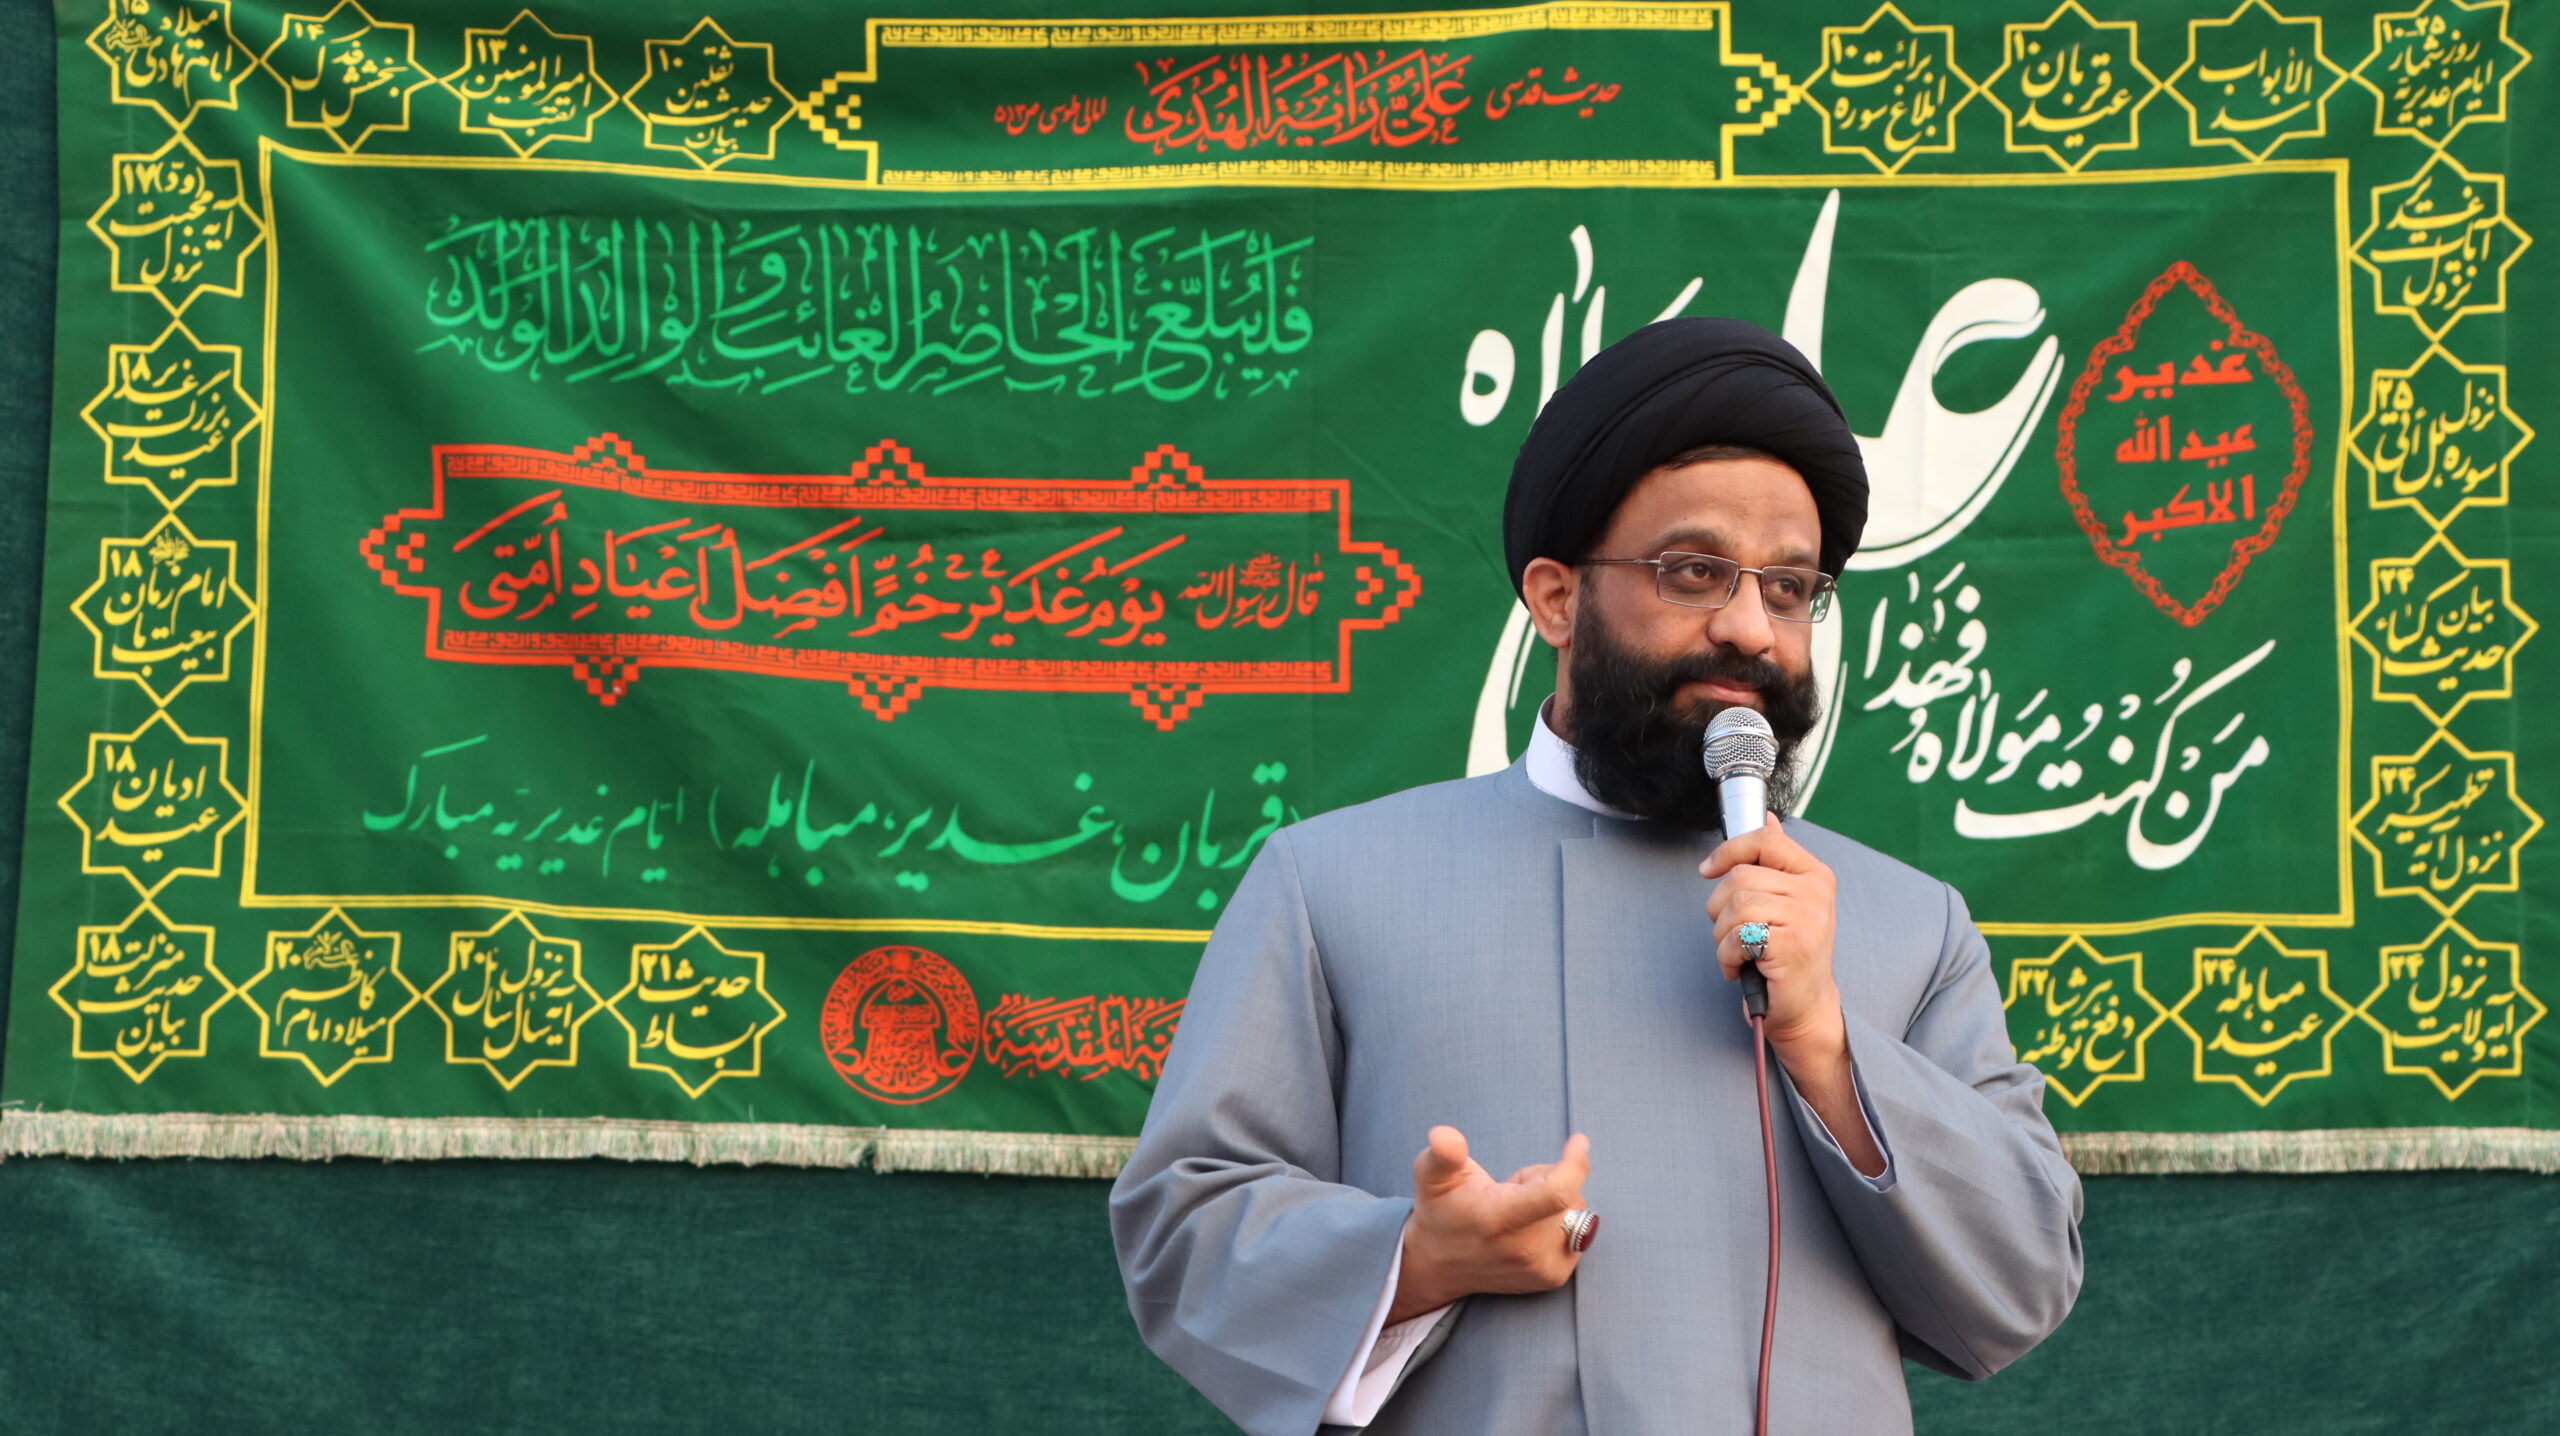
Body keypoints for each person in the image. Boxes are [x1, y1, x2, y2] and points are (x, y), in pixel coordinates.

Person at [1110, 318, 2083, 1435]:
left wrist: (1828, 1044)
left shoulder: (1913, 926)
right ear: (1556, 598)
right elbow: (1182, 1236)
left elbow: (2023, 1285)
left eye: (1787, 588)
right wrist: (1416, 1260)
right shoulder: (1328, 884)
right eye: (1694, 572)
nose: (1749, 628)